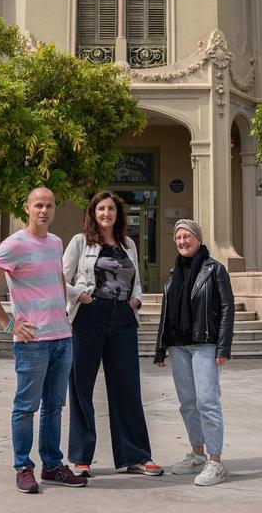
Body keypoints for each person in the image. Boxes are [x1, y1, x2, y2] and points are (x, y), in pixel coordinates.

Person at [0, 187, 88, 494]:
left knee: (54, 407)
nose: (44, 210)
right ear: (27, 208)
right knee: (26, 407)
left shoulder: (55, 242)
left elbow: (58, 280)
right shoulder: (14, 244)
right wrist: (8, 322)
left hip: (62, 338)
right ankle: (23, 467)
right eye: (38, 205)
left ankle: (52, 466)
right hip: (32, 342)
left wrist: (66, 313)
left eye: (49, 205)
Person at [62, 190, 163, 477]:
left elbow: (137, 280)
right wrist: (79, 295)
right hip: (90, 316)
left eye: (111, 209)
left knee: (127, 388)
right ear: (93, 213)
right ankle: (81, 458)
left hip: (123, 319)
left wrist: (138, 300)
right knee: (81, 387)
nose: (106, 214)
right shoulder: (80, 242)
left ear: (118, 214)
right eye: (101, 209)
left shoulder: (128, 243)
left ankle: (137, 456)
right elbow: (59, 277)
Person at [153, 219, 234, 487]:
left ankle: (215, 461)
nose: (182, 242)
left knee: (207, 402)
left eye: (187, 236)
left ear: (198, 239)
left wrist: (223, 347)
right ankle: (197, 454)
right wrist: (161, 347)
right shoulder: (173, 272)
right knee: (187, 403)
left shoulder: (215, 270)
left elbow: (226, 309)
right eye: (178, 237)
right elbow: (167, 312)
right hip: (178, 345)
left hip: (205, 343)